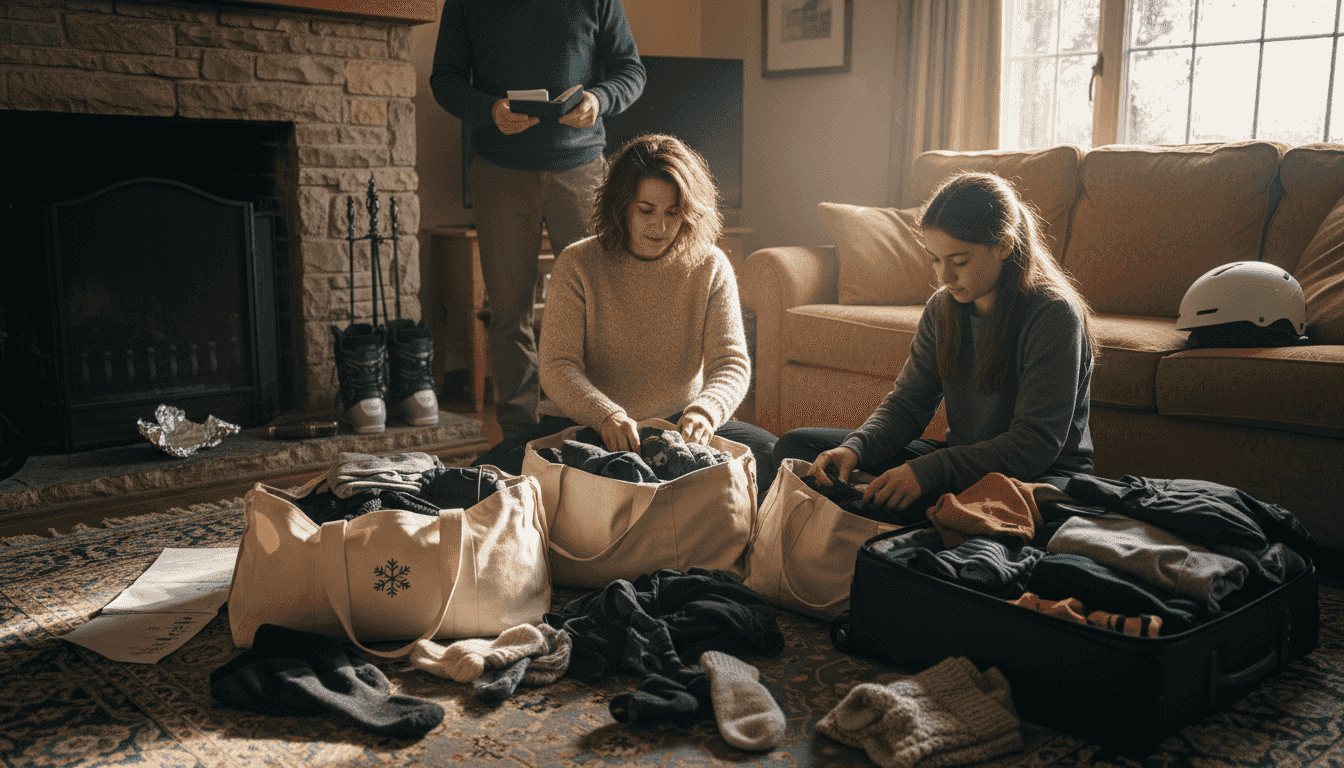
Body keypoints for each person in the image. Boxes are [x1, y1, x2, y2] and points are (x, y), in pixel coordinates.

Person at [772, 172, 1098, 523]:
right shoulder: (943, 307)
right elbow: (908, 404)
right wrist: (856, 447)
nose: (944, 277)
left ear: (1003, 245)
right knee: (800, 449)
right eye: (935, 259)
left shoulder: (1054, 314)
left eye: (959, 261)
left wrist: (927, 472)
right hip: (963, 463)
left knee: (925, 511)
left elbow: (1034, 444)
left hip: (1040, 477)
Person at [474, 133, 777, 485]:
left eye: (673, 212)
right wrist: (606, 416)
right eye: (646, 210)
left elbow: (731, 363)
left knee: (773, 456)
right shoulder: (577, 263)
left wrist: (705, 411)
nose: (659, 226)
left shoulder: (711, 266)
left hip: (680, 426)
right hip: (590, 426)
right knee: (489, 476)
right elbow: (558, 365)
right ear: (621, 205)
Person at [429, 0, 646, 440]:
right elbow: (444, 80)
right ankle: (519, 437)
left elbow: (631, 71)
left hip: (582, 171)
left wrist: (599, 99)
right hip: (499, 172)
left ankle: (598, 424)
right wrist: (489, 109)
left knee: (597, 308)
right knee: (509, 314)